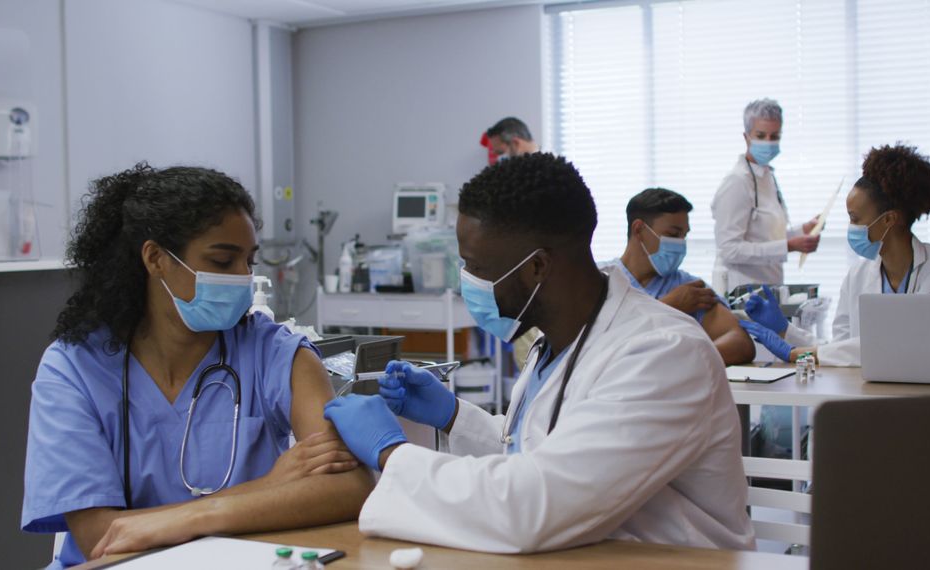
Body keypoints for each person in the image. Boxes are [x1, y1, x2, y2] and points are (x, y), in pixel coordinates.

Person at [323, 153, 754, 553]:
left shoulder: (664, 354)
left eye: (476, 267)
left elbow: (533, 504)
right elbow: (542, 455)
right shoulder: (558, 341)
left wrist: (389, 452)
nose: (466, 281)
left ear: (536, 267)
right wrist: (454, 415)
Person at [21, 164, 374, 568]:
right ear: (155, 259)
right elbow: (101, 538)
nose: (243, 277)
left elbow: (351, 485)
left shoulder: (277, 353)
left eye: (249, 261)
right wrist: (268, 489)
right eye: (223, 262)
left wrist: (196, 515)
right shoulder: (75, 369)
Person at [741, 144, 930, 366]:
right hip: (869, 395)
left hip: (929, 396)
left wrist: (795, 354)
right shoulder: (858, 275)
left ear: (889, 219)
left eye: (855, 219)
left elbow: (902, 343)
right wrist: (785, 330)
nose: (851, 227)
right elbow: (842, 349)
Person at [603, 188, 755, 365]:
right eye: (673, 235)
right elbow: (594, 342)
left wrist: (676, 364)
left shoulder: (689, 288)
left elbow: (740, 343)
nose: (681, 244)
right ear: (638, 229)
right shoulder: (602, 280)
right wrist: (667, 307)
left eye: (684, 236)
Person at [711, 98, 820, 292]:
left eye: (774, 136)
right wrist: (788, 246)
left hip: (770, 288)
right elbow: (729, 249)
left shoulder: (767, 177)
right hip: (742, 293)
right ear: (746, 137)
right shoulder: (737, 182)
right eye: (761, 135)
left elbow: (766, 238)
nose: (768, 142)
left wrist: (803, 230)